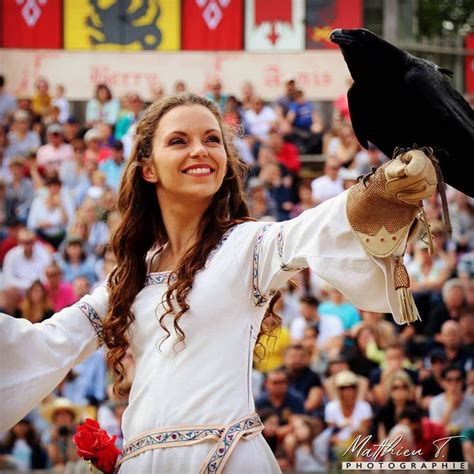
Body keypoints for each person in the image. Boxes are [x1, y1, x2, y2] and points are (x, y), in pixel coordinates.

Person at [0, 93, 438, 473]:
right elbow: (43, 346)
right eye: (179, 140)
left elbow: (308, 231)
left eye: (212, 139)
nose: (200, 150)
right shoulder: (126, 282)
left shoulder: (247, 245)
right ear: (148, 169)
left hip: (228, 459)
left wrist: (378, 190)